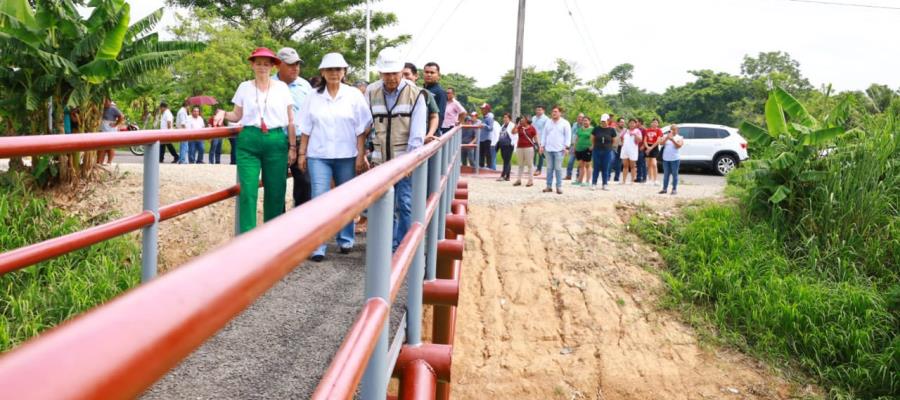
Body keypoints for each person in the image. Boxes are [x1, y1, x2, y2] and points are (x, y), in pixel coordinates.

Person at [297, 52, 372, 261]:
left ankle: (346, 239)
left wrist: (360, 154)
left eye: (338, 69)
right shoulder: (313, 96)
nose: (334, 73)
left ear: (344, 72)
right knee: (319, 198)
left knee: (345, 197)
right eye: (330, 69)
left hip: (346, 154)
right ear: (322, 72)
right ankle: (318, 245)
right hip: (318, 154)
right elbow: (306, 128)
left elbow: (362, 127)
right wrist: (302, 153)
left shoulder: (353, 95)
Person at [213, 47, 296, 233]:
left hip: (276, 140)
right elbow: (236, 115)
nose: (262, 67)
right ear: (252, 65)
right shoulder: (244, 87)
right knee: (248, 191)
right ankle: (247, 238)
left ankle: (271, 237)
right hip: (249, 140)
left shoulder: (282, 88)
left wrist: (292, 146)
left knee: (276, 191)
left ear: (273, 67)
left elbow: (291, 120)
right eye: (258, 63)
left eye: (266, 64)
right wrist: (222, 112)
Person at [366, 47, 427, 251]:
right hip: (380, 159)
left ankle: (403, 247)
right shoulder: (372, 91)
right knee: (383, 205)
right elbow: (366, 124)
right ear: (380, 73)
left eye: (394, 72)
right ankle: (385, 245)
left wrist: (409, 162)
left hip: (404, 160)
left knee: (405, 203)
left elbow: (417, 133)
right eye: (386, 73)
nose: (391, 77)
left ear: (402, 71)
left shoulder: (416, 94)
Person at [274, 47, 313, 207]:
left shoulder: (305, 86)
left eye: (297, 64)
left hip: (301, 140)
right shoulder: (269, 85)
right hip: (277, 139)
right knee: (276, 185)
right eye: (290, 64)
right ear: (278, 65)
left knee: (305, 183)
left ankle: (301, 224)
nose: (295, 68)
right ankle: (278, 224)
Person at [401, 63, 440, 142]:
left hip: (420, 141)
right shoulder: (391, 94)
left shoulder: (424, 93)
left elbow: (434, 116)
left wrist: (429, 134)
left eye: (407, 74)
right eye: (401, 75)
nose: (404, 78)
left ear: (416, 76)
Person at [539, 106, 571, 194]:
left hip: (559, 149)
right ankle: (548, 186)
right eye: (553, 111)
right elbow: (544, 134)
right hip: (548, 149)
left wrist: (567, 147)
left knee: (558, 168)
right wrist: (542, 145)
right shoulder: (548, 122)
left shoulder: (565, 123)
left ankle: (559, 187)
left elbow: (568, 136)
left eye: (556, 112)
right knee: (549, 168)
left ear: (560, 113)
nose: (554, 113)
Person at [591, 114, 617, 190]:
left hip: (607, 151)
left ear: (608, 121)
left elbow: (614, 140)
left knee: (605, 167)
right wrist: (593, 145)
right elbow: (592, 137)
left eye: (605, 121)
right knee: (596, 167)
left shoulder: (611, 130)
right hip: (597, 150)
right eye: (602, 121)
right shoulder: (596, 129)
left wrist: (610, 147)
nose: (603, 122)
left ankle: (605, 184)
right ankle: (594, 183)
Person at [423, 62, 448, 136]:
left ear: (438, 75)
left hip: (430, 133)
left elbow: (440, 115)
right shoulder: (422, 90)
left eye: (432, 72)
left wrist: (432, 133)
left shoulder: (440, 92)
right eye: (426, 72)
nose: (429, 74)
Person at [658, 124, 684, 195]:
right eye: (671, 129)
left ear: (677, 130)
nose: (673, 131)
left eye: (674, 129)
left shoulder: (679, 137)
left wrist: (672, 139)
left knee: (674, 174)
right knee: (666, 174)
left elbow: (678, 146)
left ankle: (674, 189)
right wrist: (667, 138)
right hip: (666, 159)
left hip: (675, 159)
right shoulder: (666, 136)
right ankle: (664, 188)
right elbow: (660, 143)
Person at [98, 98, 124, 164]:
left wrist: (116, 124)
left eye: (107, 101)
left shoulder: (113, 108)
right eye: (104, 101)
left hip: (110, 129)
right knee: (102, 147)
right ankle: (100, 162)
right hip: (103, 129)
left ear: (110, 101)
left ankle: (109, 162)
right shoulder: (101, 108)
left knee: (110, 147)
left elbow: (121, 116)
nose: (105, 103)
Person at [513, 116, 537, 186]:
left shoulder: (532, 128)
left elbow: (535, 137)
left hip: (529, 147)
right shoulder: (519, 127)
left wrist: (538, 145)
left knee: (530, 164)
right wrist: (516, 125)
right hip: (520, 147)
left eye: (523, 118)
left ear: (527, 120)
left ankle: (530, 180)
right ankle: (518, 180)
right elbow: (513, 132)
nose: (521, 119)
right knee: (520, 164)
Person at [619, 119, 642, 184]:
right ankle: (624, 180)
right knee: (625, 166)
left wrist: (635, 135)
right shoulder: (625, 130)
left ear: (635, 124)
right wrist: (622, 143)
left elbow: (640, 139)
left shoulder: (637, 131)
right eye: (630, 123)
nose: (632, 124)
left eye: (633, 123)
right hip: (625, 150)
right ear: (628, 124)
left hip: (633, 150)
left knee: (632, 166)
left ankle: (632, 180)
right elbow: (621, 137)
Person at [572, 115, 593, 186]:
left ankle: (587, 181)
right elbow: (577, 139)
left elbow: (594, 139)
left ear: (590, 121)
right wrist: (574, 148)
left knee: (588, 165)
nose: (585, 122)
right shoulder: (580, 129)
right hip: (579, 149)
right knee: (581, 165)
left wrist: (592, 146)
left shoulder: (592, 129)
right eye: (584, 120)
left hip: (587, 149)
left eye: (586, 120)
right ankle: (579, 180)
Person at [496, 113, 516, 181]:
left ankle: (502, 175)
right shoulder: (503, 126)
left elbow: (515, 135)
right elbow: (500, 135)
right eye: (504, 117)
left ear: (509, 118)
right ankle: (508, 176)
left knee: (506, 161)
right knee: (506, 161)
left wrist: (513, 143)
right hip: (502, 145)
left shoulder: (512, 125)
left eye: (506, 117)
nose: (505, 119)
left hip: (508, 145)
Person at [643, 118, 663, 184]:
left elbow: (658, 140)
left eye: (656, 122)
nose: (654, 123)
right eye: (653, 122)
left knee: (654, 164)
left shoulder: (659, 130)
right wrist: (647, 147)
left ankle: (655, 180)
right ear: (651, 123)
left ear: (658, 124)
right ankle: (650, 179)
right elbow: (645, 140)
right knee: (649, 164)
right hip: (647, 146)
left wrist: (651, 148)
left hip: (654, 147)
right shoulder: (647, 130)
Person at [531, 105, 550, 176]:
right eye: (537, 110)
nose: (538, 111)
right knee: (532, 154)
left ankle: (539, 169)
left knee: (540, 155)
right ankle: (532, 168)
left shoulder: (546, 119)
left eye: (540, 110)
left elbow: (547, 130)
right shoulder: (533, 118)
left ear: (543, 111)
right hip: (533, 139)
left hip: (541, 140)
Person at [565, 113, 584, 180]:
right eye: (578, 117)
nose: (579, 118)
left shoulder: (584, 126)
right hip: (573, 146)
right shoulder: (574, 124)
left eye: (581, 117)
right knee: (570, 161)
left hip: (580, 146)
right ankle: (568, 175)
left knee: (580, 162)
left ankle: (578, 176)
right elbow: (571, 134)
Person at [478, 104, 494, 168]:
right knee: (481, 153)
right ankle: (481, 166)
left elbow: (491, 128)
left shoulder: (489, 118)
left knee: (487, 153)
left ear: (487, 110)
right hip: (481, 138)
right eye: (481, 109)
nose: (481, 110)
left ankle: (489, 166)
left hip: (487, 139)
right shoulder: (482, 118)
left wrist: (484, 125)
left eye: (483, 109)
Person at [612, 117, 626, 181]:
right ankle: (608, 177)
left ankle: (616, 178)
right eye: (621, 122)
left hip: (621, 148)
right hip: (613, 147)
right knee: (611, 161)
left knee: (619, 163)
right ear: (617, 123)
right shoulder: (613, 130)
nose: (622, 123)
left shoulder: (626, 130)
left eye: (623, 122)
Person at [635, 118, 648, 183]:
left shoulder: (644, 129)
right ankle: (638, 177)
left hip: (641, 149)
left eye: (636, 122)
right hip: (636, 148)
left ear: (640, 122)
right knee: (638, 163)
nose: (635, 123)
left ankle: (644, 177)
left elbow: (646, 139)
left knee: (642, 163)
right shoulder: (636, 129)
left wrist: (643, 146)